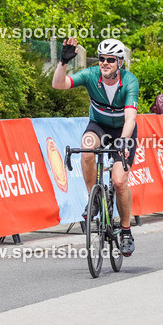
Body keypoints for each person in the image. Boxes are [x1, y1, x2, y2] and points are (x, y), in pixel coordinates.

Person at [52, 37, 139, 256]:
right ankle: (95, 199)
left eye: (111, 59)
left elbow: (130, 118)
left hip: (123, 130)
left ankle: (126, 231)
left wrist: (123, 141)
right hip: (98, 125)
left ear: (120, 62)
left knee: (119, 181)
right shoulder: (91, 75)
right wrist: (62, 63)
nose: (105, 63)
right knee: (86, 148)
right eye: (102, 59)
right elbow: (58, 85)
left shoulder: (129, 81)